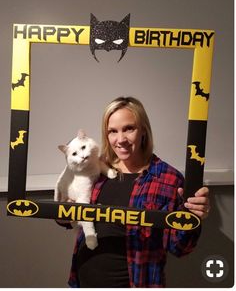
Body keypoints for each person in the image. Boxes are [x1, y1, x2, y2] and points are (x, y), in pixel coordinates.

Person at [61, 96, 210, 288]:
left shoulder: (168, 179)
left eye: (129, 129)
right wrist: (64, 214)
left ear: (143, 131)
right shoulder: (95, 169)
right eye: (113, 131)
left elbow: (180, 247)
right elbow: (71, 212)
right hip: (82, 282)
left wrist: (193, 217)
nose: (120, 139)